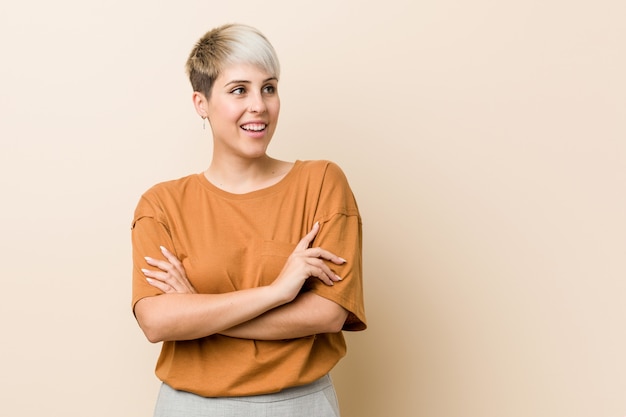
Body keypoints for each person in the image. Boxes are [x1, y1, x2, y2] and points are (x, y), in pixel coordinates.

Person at [131, 23, 366, 417]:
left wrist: (196, 309)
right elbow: (157, 322)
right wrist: (277, 293)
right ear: (201, 103)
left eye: (269, 88)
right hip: (190, 408)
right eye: (239, 89)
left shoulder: (322, 182)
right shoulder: (161, 204)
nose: (258, 104)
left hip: (300, 405)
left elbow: (328, 314)